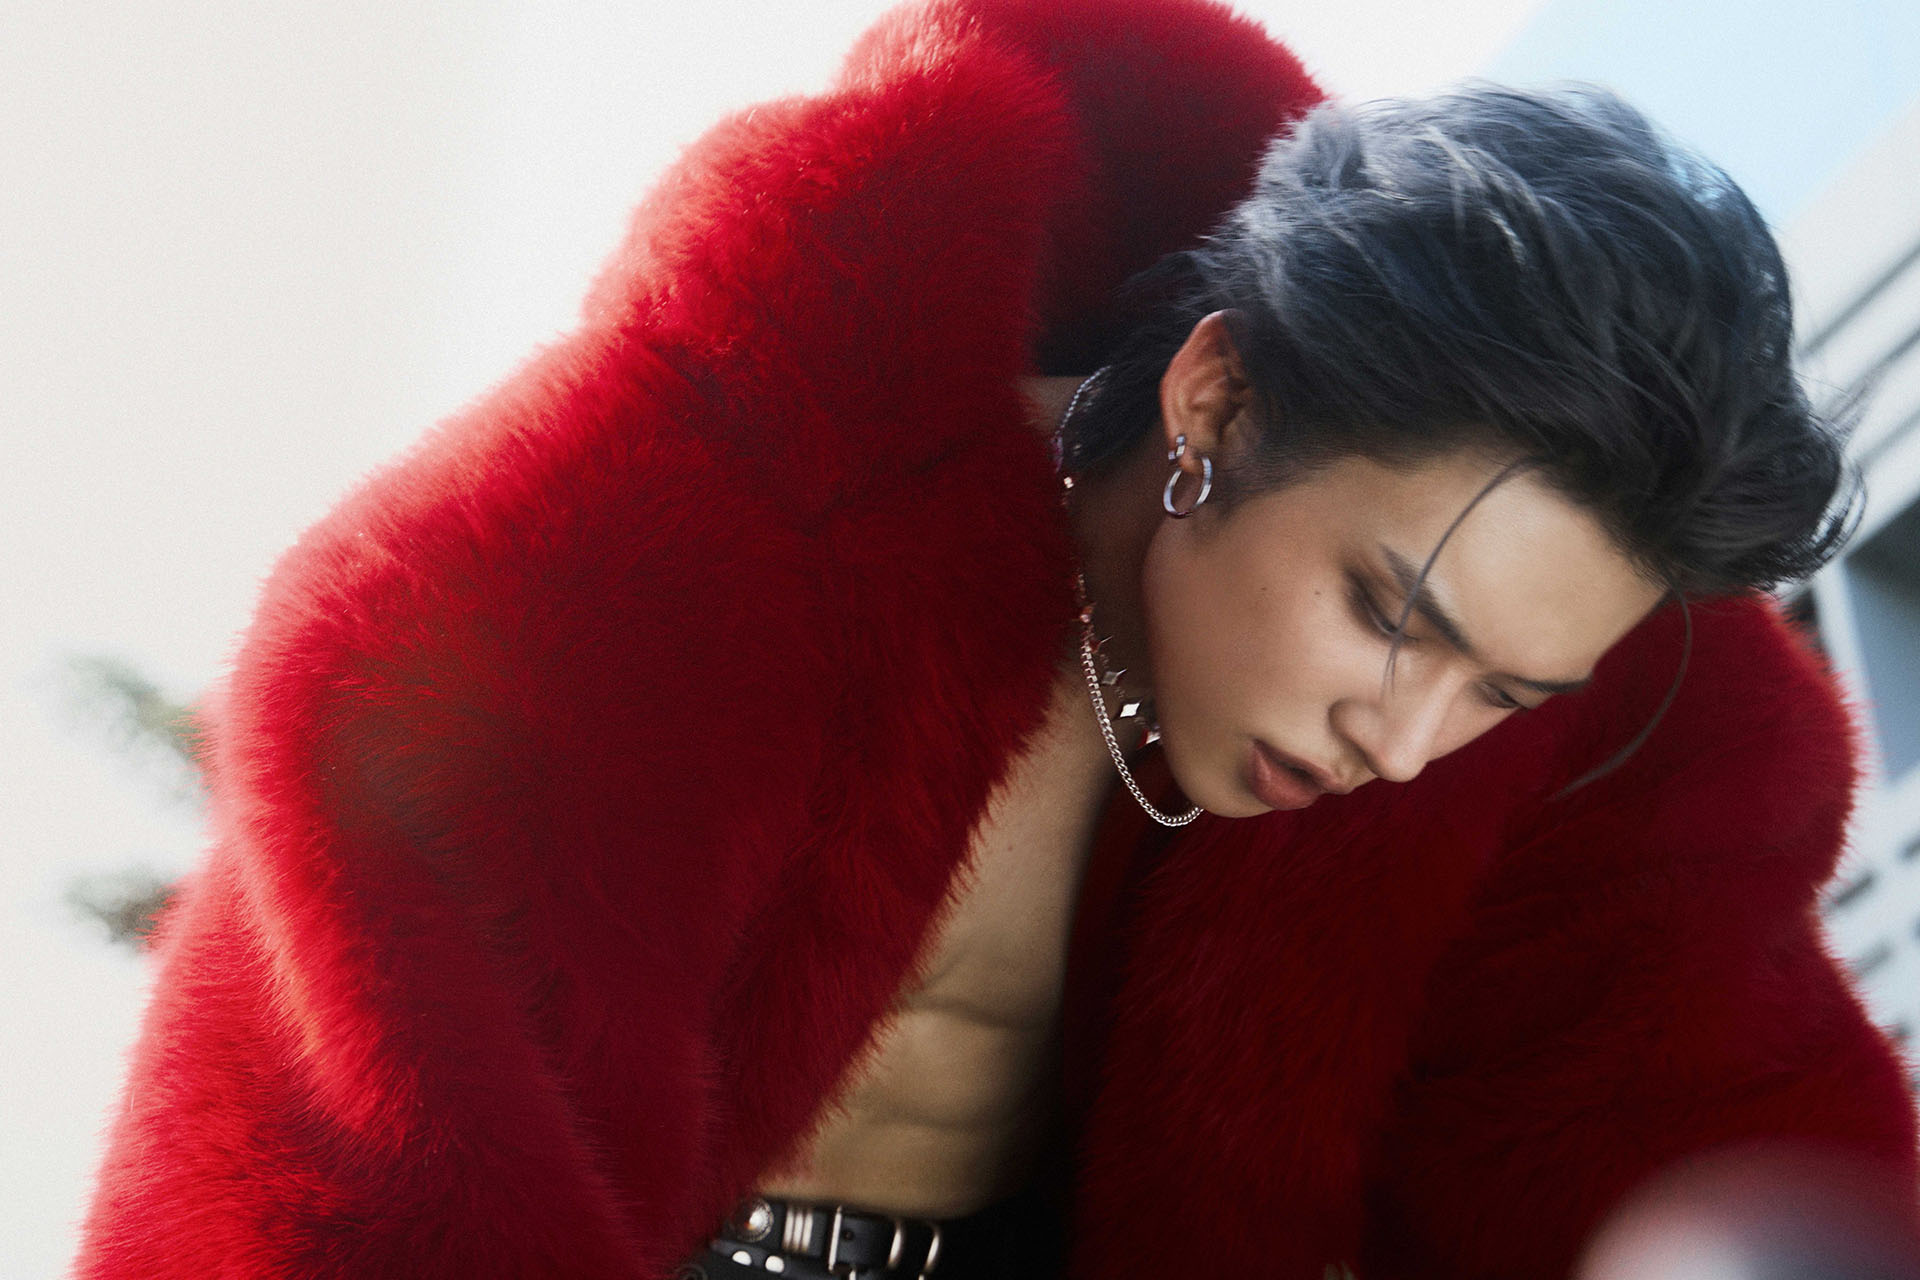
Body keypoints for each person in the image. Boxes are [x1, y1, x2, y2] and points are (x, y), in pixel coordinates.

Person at [76, 0, 1918, 1277]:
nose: (1408, 737)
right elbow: (371, 1187)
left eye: (1502, 691)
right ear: (1214, 398)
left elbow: (1723, 1137)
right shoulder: (663, 557)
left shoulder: (1572, 736)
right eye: (1387, 611)